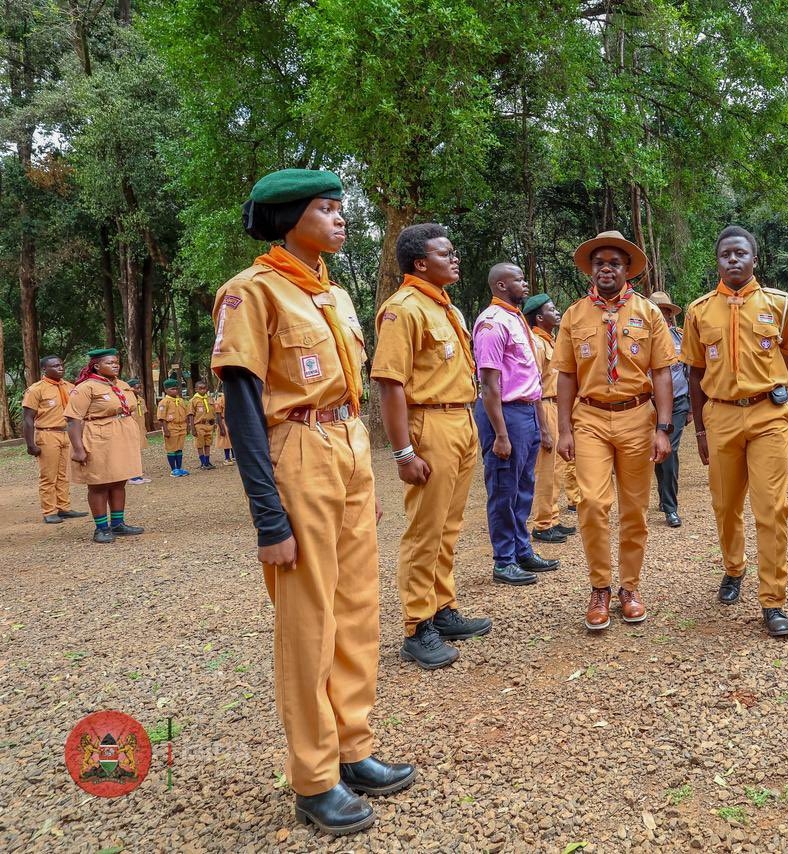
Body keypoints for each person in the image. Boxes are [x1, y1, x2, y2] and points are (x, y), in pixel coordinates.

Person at [215, 168, 412, 836]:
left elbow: (348, 391)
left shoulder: (334, 294)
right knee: (308, 622)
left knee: (358, 609)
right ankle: (314, 776)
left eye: (339, 207)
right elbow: (242, 405)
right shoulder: (252, 294)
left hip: (347, 449)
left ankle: (354, 748)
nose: (340, 217)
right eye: (326, 209)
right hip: (295, 451)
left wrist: (363, 481)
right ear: (288, 217)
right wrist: (268, 516)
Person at [371, 223, 494, 673]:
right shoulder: (403, 310)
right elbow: (390, 384)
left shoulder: (447, 310)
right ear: (421, 263)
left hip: (461, 420)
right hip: (430, 425)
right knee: (425, 529)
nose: (455, 258)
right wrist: (404, 452)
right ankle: (416, 625)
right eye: (446, 253)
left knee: (449, 526)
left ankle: (443, 608)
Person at [684, 225, 788, 637]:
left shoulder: (782, 305)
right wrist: (700, 431)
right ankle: (734, 569)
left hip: (768, 416)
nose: (733, 260)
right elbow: (695, 371)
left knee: (772, 508)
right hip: (719, 417)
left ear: (755, 258)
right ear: (717, 261)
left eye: (740, 253)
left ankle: (773, 599)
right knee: (725, 504)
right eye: (725, 255)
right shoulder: (699, 311)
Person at [553, 230, 676, 631]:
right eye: (600, 262)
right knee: (591, 501)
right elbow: (567, 375)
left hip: (637, 416)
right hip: (589, 418)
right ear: (591, 269)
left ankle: (630, 587)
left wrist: (663, 427)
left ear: (627, 270)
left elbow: (661, 373)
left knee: (636, 508)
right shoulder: (573, 315)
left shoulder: (648, 313)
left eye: (615, 263)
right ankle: (600, 587)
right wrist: (565, 429)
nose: (607, 268)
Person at [472, 262, 560, 584]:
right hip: (505, 414)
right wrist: (500, 434)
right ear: (500, 286)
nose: (525, 284)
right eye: (518, 280)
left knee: (524, 488)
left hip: (526, 413)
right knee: (504, 489)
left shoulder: (516, 319)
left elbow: (531, 377)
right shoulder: (492, 323)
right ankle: (504, 560)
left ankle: (522, 550)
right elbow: (490, 384)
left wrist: (542, 425)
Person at [65, 348, 143, 543]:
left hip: (121, 438)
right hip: (98, 437)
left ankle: (118, 524)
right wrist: (78, 449)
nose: (115, 365)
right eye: (110, 362)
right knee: (99, 483)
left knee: (119, 480)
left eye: (116, 362)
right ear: (97, 366)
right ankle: (101, 528)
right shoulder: (86, 387)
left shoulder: (123, 385)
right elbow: (72, 419)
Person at [525, 293, 578, 543]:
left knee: (557, 468)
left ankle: (553, 518)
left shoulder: (551, 342)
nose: (557, 312)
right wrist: (543, 426)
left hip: (558, 406)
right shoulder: (536, 343)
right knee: (545, 469)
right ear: (538, 317)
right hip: (545, 406)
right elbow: (534, 384)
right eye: (551, 309)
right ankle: (543, 523)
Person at [21, 356, 88, 523]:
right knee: (48, 475)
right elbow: (28, 419)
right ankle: (49, 511)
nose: (60, 368)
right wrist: (30, 444)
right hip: (47, 434)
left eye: (61, 365)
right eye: (55, 366)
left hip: (67, 434)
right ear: (45, 369)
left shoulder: (70, 387)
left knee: (64, 474)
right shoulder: (36, 389)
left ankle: (63, 507)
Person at [650, 290, 691, 528]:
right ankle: (663, 496)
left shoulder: (679, 338)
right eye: (658, 311)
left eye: (666, 312)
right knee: (658, 451)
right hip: (650, 404)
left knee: (670, 450)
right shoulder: (641, 338)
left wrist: (691, 408)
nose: (663, 316)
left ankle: (670, 507)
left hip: (677, 401)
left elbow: (688, 370)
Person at [156, 378, 192, 477]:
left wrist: (188, 426)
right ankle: (173, 469)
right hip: (171, 427)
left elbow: (186, 414)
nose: (175, 391)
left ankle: (179, 468)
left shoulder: (180, 400)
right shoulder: (164, 402)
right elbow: (161, 418)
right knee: (171, 448)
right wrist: (165, 429)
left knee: (179, 448)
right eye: (172, 389)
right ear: (166, 390)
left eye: (176, 388)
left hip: (181, 426)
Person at [125, 378, 152, 484]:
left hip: (140, 429)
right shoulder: (126, 400)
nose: (139, 390)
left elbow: (143, 415)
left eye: (140, 387)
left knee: (137, 452)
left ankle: (138, 474)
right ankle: (131, 476)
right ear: (130, 389)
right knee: (130, 453)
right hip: (129, 430)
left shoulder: (141, 400)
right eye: (137, 388)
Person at [190, 379, 218, 471]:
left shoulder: (209, 399)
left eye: (204, 388)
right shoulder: (193, 400)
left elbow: (213, 412)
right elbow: (191, 414)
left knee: (208, 444)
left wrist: (214, 423)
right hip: (199, 425)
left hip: (209, 425)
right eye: (200, 388)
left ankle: (207, 461)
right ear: (196, 389)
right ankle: (202, 462)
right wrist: (192, 428)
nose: (203, 390)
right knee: (200, 444)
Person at [213, 385, 236, 465]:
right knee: (226, 441)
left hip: (233, 421)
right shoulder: (219, 400)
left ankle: (234, 456)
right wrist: (221, 427)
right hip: (224, 421)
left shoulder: (233, 397)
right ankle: (227, 458)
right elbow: (218, 414)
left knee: (233, 440)